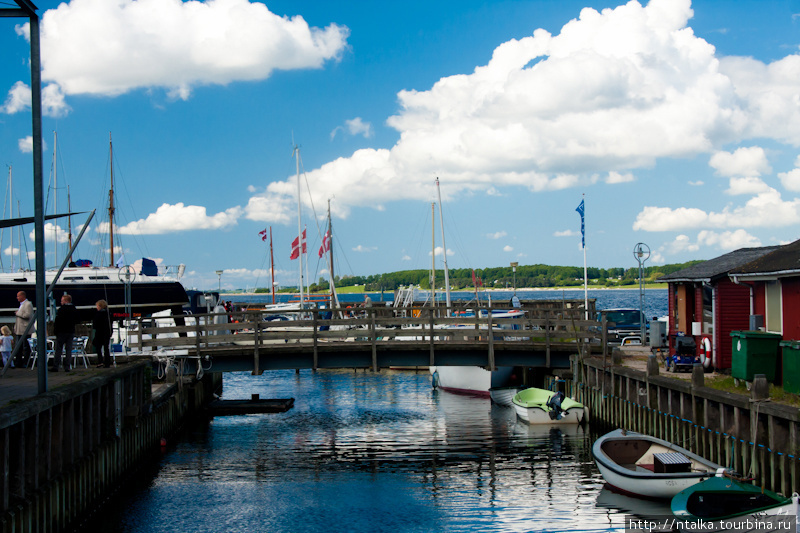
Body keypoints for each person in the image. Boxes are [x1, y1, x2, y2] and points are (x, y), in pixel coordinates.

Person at [52, 293, 78, 372]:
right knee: (69, 349)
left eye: (62, 300)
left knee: (58, 349)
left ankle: (56, 366)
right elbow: (78, 319)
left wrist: (55, 331)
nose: (61, 302)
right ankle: (67, 366)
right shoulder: (74, 309)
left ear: (66, 301)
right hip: (70, 331)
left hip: (61, 332)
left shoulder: (61, 309)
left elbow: (58, 321)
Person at [14, 290, 33, 367]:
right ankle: (18, 362)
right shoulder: (21, 304)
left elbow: (27, 315)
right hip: (19, 329)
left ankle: (25, 362)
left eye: (18, 296)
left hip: (25, 330)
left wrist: (18, 313)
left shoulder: (28, 304)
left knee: (26, 347)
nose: (17, 298)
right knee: (18, 347)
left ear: (22, 296)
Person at [92, 299, 112, 368]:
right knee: (106, 348)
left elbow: (95, 325)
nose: (96, 307)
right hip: (107, 333)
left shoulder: (98, 314)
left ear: (100, 306)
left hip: (99, 333)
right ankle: (107, 362)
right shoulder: (108, 314)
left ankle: (100, 361)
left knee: (98, 347)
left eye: (97, 306)